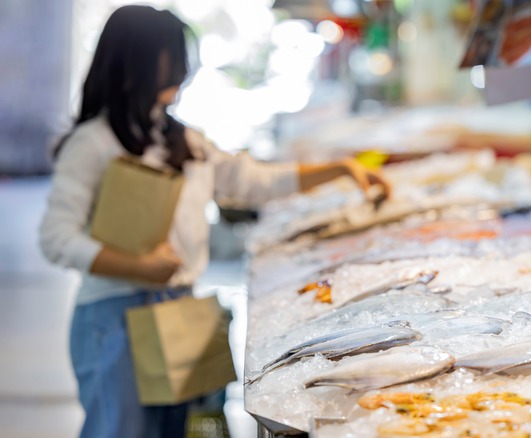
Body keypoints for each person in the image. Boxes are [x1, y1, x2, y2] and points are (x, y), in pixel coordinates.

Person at [39, 5, 390, 438]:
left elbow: (252, 180)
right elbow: (56, 239)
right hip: (115, 318)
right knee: (120, 429)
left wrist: (339, 169)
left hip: (180, 306)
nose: (181, 70)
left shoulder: (180, 137)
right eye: (168, 57)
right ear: (134, 61)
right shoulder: (92, 143)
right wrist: (139, 268)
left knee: (184, 429)